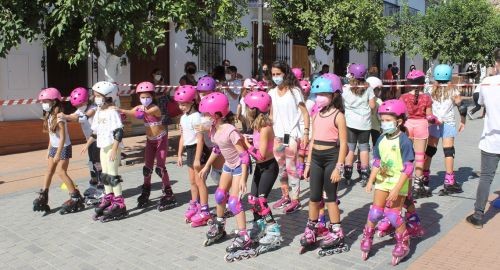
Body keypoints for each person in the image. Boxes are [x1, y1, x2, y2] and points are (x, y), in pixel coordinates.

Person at [197, 93, 255, 261]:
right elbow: (217, 149)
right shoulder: (214, 130)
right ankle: (220, 225)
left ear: (216, 114)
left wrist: (244, 178)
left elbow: (244, 156)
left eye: (206, 114)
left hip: (239, 167)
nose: (204, 118)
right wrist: (207, 166)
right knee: (220, 195)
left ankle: (244, 236)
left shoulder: (230, 131)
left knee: (234, 202)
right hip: (228, 165)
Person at [360, 99, 414, 266]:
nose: (384, 124)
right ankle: (367, 237)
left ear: (399, 121)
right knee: (375, 213)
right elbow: (377, 161)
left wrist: (397, 189)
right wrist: (370, 181)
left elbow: (408, 168)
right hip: (383, 181)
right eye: (382, 120)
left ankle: (403, 242)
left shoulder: (404, 140)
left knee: (393, 215)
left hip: (398, 182)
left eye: (388, 120)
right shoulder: (381, 139)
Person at [299, 76, 349, 256]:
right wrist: (307, 163)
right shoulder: (317, 114)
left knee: (330, 197)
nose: (319, 97)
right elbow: (312, 141)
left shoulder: (339, 115)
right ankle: (311, 228)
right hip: (316, 159)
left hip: (331, 158)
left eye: (323, 94)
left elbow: (343, 144)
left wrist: (339, 167)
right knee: (313, 197)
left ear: (334, 94)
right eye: (317, 94)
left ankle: (337, 231)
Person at [120, 82, 176, 211]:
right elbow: (132, 112)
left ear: (152, 96)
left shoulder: (154, 108)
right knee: (147, 168)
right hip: (150, 141)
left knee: (160, 167)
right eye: (142, 97)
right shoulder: (140, 107)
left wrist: (126, 111)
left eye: (147, 97)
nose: (145, 99)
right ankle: (146, 190)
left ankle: (168, 192)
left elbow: (141, 114)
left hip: (161, 139)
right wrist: (120, 113)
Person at [243, 91, 283, 254]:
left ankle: (273, 231)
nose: (245, 110)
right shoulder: (257, 126)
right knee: (252, 200)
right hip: (260, 168)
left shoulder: (265, 127)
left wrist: (246, 145)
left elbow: (262, 154)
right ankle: (259, 226)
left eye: (247, 107)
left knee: (262, 201)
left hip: (268, 167)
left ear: (254, 109)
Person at [33, 88, 84, 214]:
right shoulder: (49, 116)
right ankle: (43, 195)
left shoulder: (59, 117)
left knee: (61, 172)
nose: (43, 104)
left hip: (64, 147)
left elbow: (62, 138)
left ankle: (75, 197)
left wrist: (57, 153)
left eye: (46, 101)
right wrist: (49, 149)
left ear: (54, 102)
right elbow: (52, 136)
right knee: (49, 171)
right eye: (42, 101)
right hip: (54, 147)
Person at [268, 60, 310, 213]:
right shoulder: (271, 93)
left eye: (278, 74)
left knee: (291, 166)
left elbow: (305, 113)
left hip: (291, 134)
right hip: (278, 135)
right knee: (281, 168)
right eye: (273, 74)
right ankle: (285, 195)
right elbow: (271, 115)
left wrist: (306, 132)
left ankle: (295, 199)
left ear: (285, 73)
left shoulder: (294, 92)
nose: (276, 77)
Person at [418, 64, 465, 198]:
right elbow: (461, 107)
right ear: (449, 75)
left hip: (434, 122)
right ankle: (449, 181)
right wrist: (463, 121)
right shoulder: (453, 90)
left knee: (430, 150)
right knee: (448, 151)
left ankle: (424, 177)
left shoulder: (430, 89)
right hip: (448, 123)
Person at [82, 81, 127, 222]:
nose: (95, 98)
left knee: (113, 175)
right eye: (95, 96)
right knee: (105, 175)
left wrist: (114, 149)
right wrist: (87, 144)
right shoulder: (99, 111)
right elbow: (95, 132)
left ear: (107, 96)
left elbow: (119, 132)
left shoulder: (112, 111)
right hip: (103, 147)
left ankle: (119, 203)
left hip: (112, 147)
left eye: (98, 96)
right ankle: (108, 199)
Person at [466, 48, 500, 229]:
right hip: (492, 139)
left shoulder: (487, 82)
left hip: (492, 139)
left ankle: (479, 215)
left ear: (496, 63)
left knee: (486, 177)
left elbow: (478, 101)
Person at [174, 85, 211, 226]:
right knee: (192, 181)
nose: (181, 107)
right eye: (179, 104)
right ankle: (194, 204)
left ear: (192, 102)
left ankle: (205, 209)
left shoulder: (197, 117)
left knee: (200, 181)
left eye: (183, 104)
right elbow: (183, 136)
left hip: (198, 149)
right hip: (189, 150)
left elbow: (200, 139)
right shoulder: (183, 118)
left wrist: (197, 158)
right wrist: (179, 154)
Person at [64, 87, 101, 205]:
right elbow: (73, 116)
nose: (78, 107)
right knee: (91, 164)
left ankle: (101, 187)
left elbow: (83, 118)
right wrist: (64, 117)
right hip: (89, 141)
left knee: (97, 164)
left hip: (97, 140)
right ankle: (94, 184)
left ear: (86, 101)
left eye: (80, 104)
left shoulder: (93, 108)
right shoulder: (80, 109)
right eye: (76, 106)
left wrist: (66, 116)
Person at [342, 64, 376, 187]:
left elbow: (342, 102)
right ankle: (364, 175)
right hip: (364, 123)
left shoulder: (346, 88)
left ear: (352, 74)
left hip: (350, 122)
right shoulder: (368, 88)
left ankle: (347, 175)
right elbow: (372, 106)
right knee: (364, 149)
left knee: (350, 149)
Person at [366, 77, 384, 146]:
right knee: (376, 145)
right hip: (376, 127)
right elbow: (380, 116)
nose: (379, 91)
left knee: (364, 146)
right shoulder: (379, 101)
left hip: (365, 126)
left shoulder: (364, 99)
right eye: (378, 89)